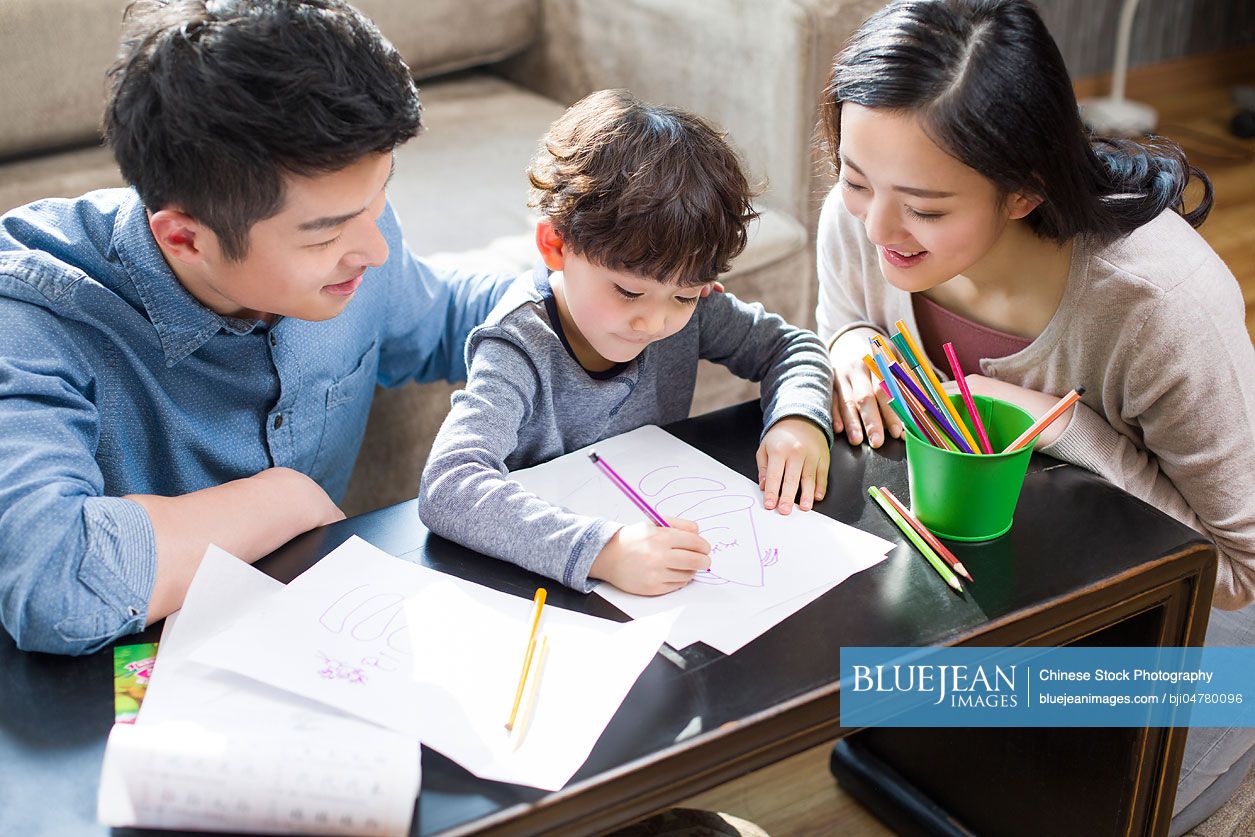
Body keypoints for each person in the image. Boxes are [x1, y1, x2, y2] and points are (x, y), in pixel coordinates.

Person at [814, 1, 1255, 832]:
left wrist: (1063, 431)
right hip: (1009, 581)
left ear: (1024, 188)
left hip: (1187, 625)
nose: (874, 227)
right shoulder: (866, 218)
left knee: (1076, 803)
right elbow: (844, 312)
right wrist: (846, 343)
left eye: (925, 207)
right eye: (853, 178)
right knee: (890, 732)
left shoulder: (1159, 307)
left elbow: (1240, 569)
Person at [0, 0, 515, 655]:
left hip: (318, 644)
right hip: (97, 704)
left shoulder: (355, 243)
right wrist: (284, 500)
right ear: (185, 238)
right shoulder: (30, 308)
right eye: (326, 231)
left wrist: (599, 289)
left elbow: (443, 318)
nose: (375, 248)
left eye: (378, 197)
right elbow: (51, 583)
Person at [418, 89, 834, 596]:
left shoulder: (690, 308)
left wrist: (797, 418)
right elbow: (449, 486)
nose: (653, 322)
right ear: (557, 245)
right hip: (547, 586)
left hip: (663, 551)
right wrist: (603, 551)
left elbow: (792, 347)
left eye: (682, 296)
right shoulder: (518, 344)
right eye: (629, 291)